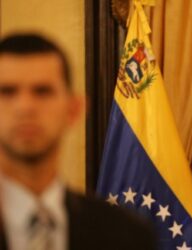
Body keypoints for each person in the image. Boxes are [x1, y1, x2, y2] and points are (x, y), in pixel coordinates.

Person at [0, 33, 156, 250]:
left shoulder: (128, 234)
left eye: (42, 91)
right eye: (7, 92)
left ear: (74, 110)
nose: (25, 107)